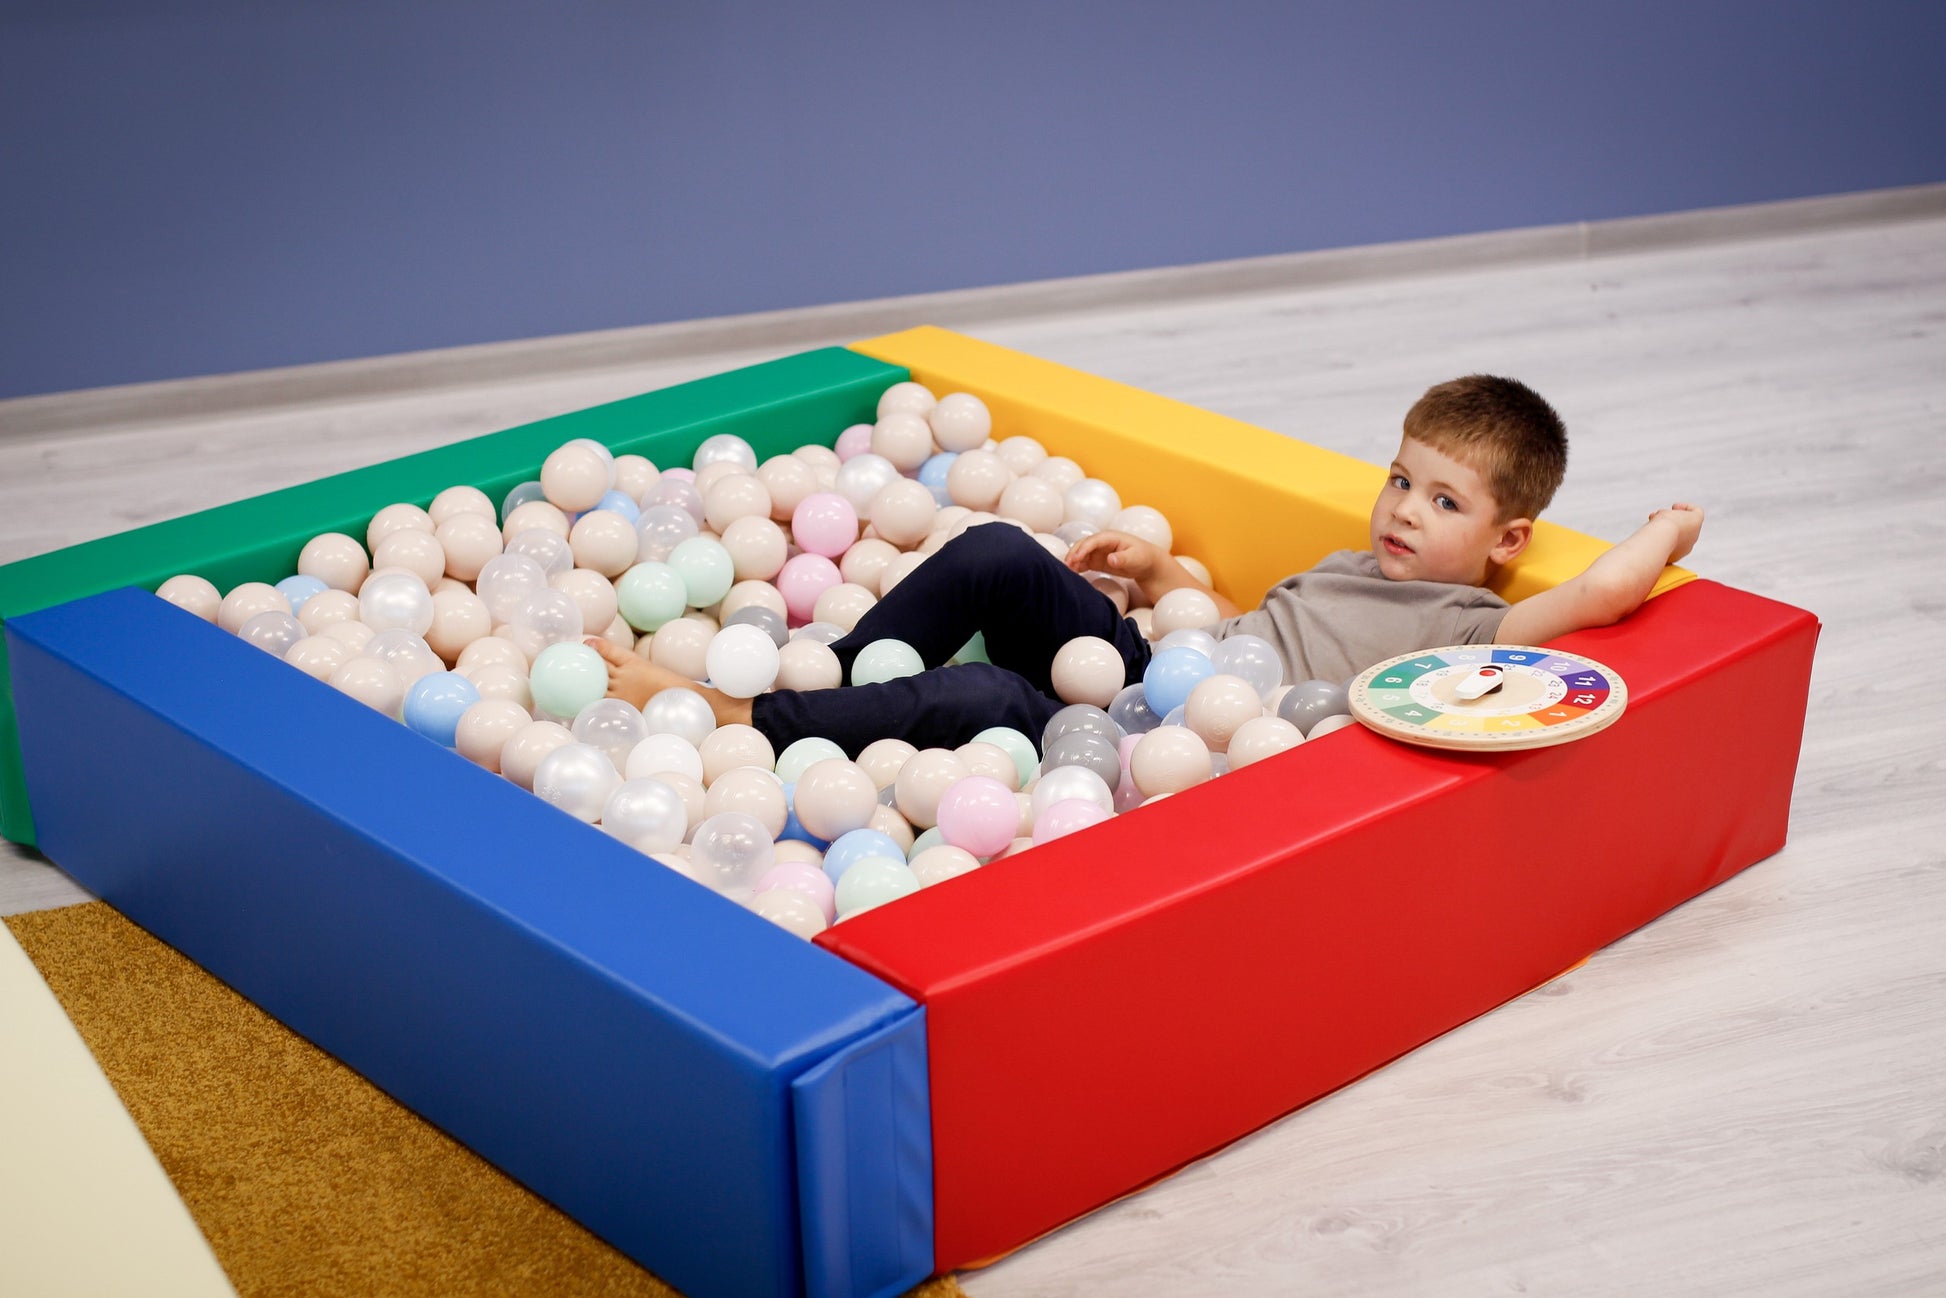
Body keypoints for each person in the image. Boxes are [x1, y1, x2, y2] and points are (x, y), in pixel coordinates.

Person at [590, 375, 1703, 755]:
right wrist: (1163, 569)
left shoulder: (1466, 631)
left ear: (1506, 542)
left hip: (1158, 747)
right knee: (992, 548)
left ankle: (737, 721)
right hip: (1150, 668)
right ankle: (826, 674)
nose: (1403, 510)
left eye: (1444, 500)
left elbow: (1601, 591)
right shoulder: (1348, 557)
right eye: (1400, 478)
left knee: (985, 694)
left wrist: (1667, 528)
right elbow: (1239, 616)